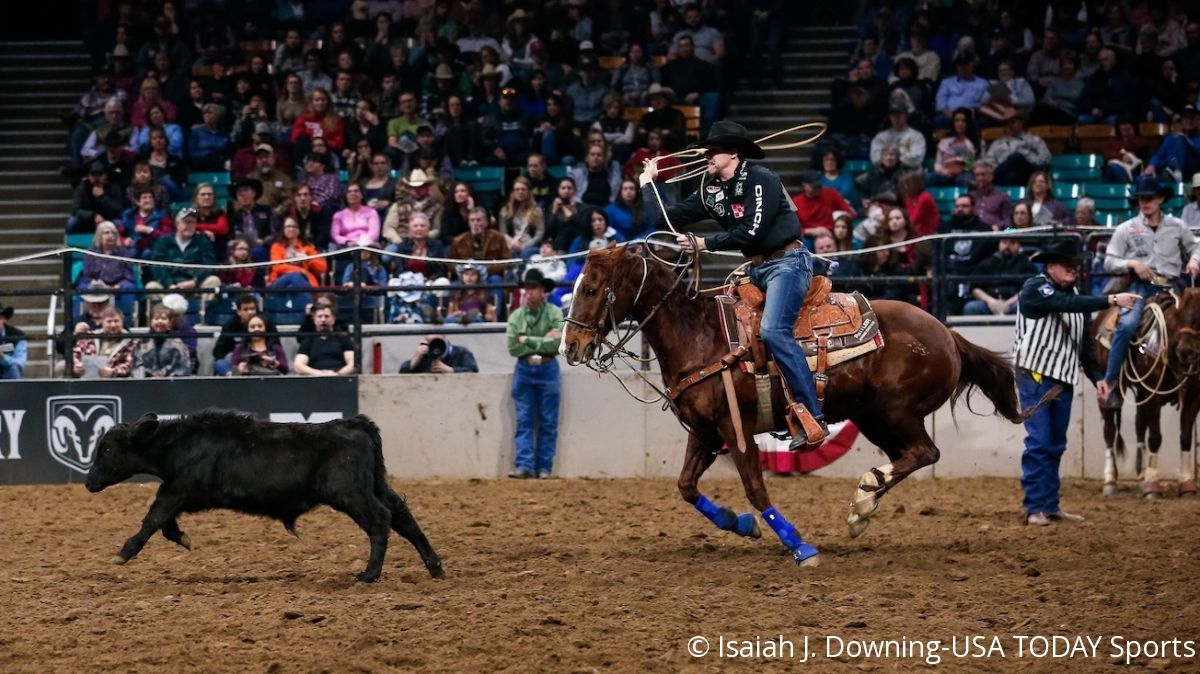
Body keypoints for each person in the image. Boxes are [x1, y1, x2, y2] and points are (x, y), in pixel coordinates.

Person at [642, 120, 828, 450]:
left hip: (788, 263)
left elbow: (753, 231)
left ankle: (812, 415)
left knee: (773, 332)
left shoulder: (761, 179)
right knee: (734, 334)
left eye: (713, 151)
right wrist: (648, 184)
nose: (707, 156)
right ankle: (768, 411)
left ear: (733, 153)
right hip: (758, 269)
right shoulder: (712, 191)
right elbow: (663, 220)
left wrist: (705, 244)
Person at [1013, 238, 1139, 526]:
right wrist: (1111, 299)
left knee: (1054, 443)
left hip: (1062, 377)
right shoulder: (1036, 287)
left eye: (1075, 265)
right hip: (1036, 373)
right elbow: (1060, 302)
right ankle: (1035, 507)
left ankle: (1049, 505)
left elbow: (1083, 347)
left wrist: (1098, 379)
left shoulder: (1077, 299)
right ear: (1051, 266)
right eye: (1067, 264)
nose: (1073, 269)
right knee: (1040, 440)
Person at [1098, 176, 1200, 406]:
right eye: (1142, 199)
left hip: (1173, 288)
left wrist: (1194, 261)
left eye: (1150, 198)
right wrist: (1131, 264)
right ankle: (1111, 381)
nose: (1145, 202)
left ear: (1160, 199)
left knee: (1192, 326)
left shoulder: (1177, 226)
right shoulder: (1127, 229)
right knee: (1126, 326)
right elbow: (1109, 261)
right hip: (1140, 289)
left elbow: (1196, 246)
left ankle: (1191, 383)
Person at [505, 268, 564, 479]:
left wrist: (527, 340)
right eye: (527, 289)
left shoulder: (554, 313)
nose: (529, 292)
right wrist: (544, 341)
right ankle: (527, 466)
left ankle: (542, 467)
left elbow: (558, 343)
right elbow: (513, 347)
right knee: (525, 420)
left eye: (534, 288)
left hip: (545, 367)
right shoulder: (518, 315)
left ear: (542, 291)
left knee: (546, 421)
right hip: (528, 368)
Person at [964, 234, 1038, 315]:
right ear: (999, 244)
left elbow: (1031, 288)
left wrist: (1007, 304)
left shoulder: (1026, 264)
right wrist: (991, 301)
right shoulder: (987, 263)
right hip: (990, 302)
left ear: (1018, 246)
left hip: (1014, 302)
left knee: (1023, 307)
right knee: (971, 307)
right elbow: (974, 288)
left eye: (1012, 243)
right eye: (1004, 242)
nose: (1007, 246)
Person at [212, 294, 279, 376]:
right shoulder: (230, 325)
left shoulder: (267, 323)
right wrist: (236, 358)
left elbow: (276, 345)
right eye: (246, 309)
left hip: (262, 361)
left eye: (252, 309)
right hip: (237, 360)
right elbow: (218, 351)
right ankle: (233, 378)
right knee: (219, 363)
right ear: (238, 312)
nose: (250, 312)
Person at [70, 306, 136, 379]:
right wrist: (76, 366)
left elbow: (130, 364)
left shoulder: (130, 341)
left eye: (116, 321)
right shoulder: (90, 337)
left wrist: (113, 372)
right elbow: (75, 354)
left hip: (117, 382)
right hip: (87, 379)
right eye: (109, 321)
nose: (113, 325)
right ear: (102, 322)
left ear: (122, 321)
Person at [132, 303, 193, 378]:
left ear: (170, 322)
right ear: (151, 322)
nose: (160, 321)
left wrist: (164, 375)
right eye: (156, 318)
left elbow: (182, 367)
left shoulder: (178, 344)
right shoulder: (142, 343)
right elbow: (137, 365)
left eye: (164, 319)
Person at [293, 304, 356, 376]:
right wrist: (319, 373)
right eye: (319, 317)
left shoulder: (343, 339)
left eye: (327, 316)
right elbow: (298, 366)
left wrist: (337, 374)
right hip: (315, 380)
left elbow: (353, 364)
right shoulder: (308, 340)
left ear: (333, 320)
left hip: (340, 379)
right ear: (314, 320)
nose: (323, 320)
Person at [400, 333, 479, 373]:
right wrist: (413, 361)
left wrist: (451, 370)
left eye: (438, 342)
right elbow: (401, 378)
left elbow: (474, 372)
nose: (436, 348)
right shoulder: (423, 356)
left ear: (444, 337)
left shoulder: (461, 352)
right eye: (432, 343)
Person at [0, 302, 26, 380]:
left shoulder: (17, 336)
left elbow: (20, 362)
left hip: (7, 371)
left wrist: (3, 358)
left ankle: (15, 391)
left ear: (3, 319)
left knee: (14, 368)